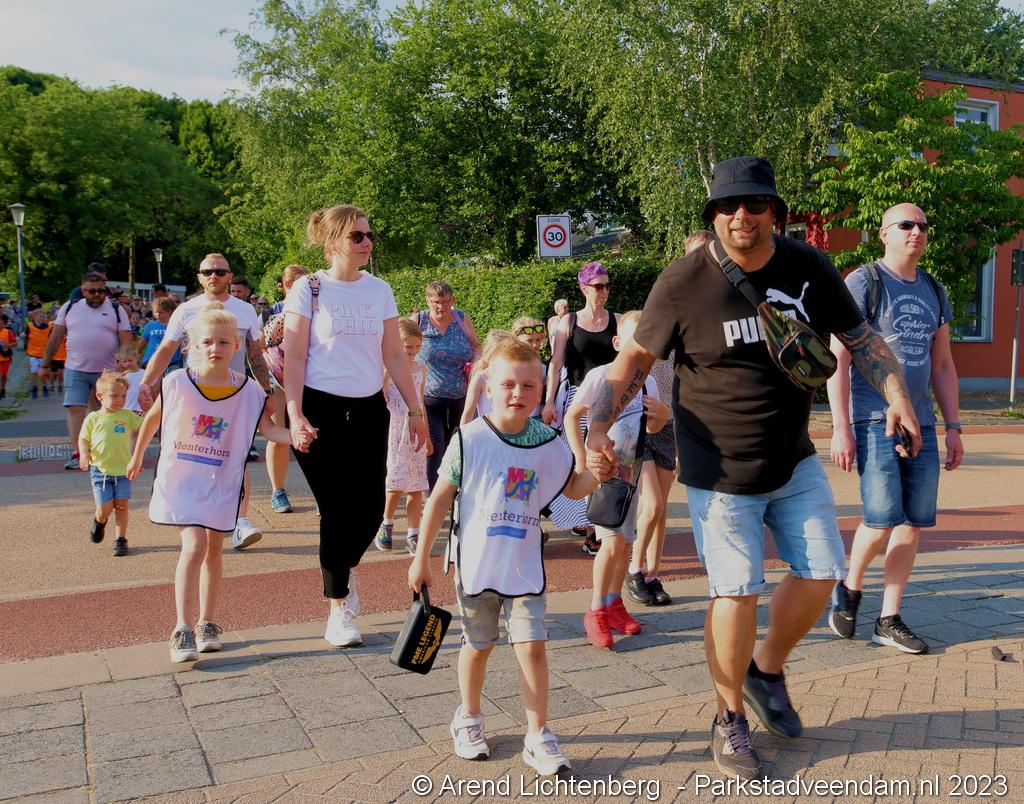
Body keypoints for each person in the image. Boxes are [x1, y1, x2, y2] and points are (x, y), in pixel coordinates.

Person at [584, 156, 920, 779]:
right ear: (713, 214)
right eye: (728, 205)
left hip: (792, 458)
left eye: (756, 203)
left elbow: (862, 338)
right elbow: (631, 363)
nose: (742, 215)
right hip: (719, 470)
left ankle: (764, 671)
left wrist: (898, 396)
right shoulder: (682, 281)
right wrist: (599, 426)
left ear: (775, 211)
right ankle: (728, 716)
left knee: (822, 573)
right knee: (736, 590)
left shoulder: (807, 265)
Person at [408, 338, 600, 775]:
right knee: (478, 646)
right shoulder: (469, 439)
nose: (518, 393)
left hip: (524, 566)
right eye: (508, 384)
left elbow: (572, 488)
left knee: (532, 648)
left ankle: (539, 734)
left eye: (528, 386)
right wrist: (421, 558)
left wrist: (599, 473)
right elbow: (439, 500)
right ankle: (469, 717)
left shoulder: (549, 443)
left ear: (540, 391)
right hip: (476, 566)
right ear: (488, 387)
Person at [284, 205, 427, 648]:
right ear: (332, 242)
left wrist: (416, 411)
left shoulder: (379, 290)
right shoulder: (309, 289)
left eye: (369, 235)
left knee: (368, 510)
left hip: (368, 409)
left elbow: (394, 355)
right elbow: (294, 356)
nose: (366, 243)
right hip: (318, 409)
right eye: (356, 236)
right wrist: (295, 413)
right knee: (336, 509)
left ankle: (343, 570)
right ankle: (339, 605)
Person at [827, 203, 964, 655]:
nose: (916, 232)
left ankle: (888, 618)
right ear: (884, 233)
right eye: (906, 224)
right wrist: (840, 427)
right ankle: (850, 585)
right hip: (873, 418)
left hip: (921, 421)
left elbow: (943, 364)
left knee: (913, 521)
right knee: (883, 517)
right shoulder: (864, 282)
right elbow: (839, 359)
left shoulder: (934, 289)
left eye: (923, 225)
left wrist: (954, 426)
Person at [127, 303, 291, 662]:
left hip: (220, 481)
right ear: (194, 346)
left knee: (214, 550)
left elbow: (269, 430)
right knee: (195, 544)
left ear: (236, 346)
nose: (215, 348)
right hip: (183, 480)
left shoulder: (250, 391)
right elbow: (153, 419)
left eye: (223, 342)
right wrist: (137, 456)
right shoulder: (177, 383)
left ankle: (207, 622)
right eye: (207, 342)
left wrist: (300, 436)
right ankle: (181, 628)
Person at [138, 254, 271, 550]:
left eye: (220, 271)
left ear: (229, 276)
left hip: (233, 397)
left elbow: (255, 354)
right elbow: (166, 349)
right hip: (195, 398)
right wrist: (147, 381)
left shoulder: (245, 310)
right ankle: (193, 515)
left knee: (237, 456)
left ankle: (240, 520)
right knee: (193, 456)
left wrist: (266, 392)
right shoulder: (186, 310)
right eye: (208, 271)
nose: (214, 276)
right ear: (199, 276)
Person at [565, 311, 669, 648]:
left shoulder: (648, 380)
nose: (642, 346)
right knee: (610, 544)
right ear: (617, 342)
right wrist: (582, 458)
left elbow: (651, 427)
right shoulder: (602, 376)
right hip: (604, 473)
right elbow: (572, 416)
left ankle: (614, 603)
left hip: (631, 471)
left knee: (625, 543)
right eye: (634, 339)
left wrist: (661, 417)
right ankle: (595, 609)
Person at [627, 229, 715, 608]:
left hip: (672, 423)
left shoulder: (715, 310)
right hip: (642, 423)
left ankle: (651, 572)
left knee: (661, 508)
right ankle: (633, 568)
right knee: (651, 506)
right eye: (694, 255)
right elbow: (632, 356)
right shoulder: (670, 299)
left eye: (707, 253)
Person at [543, 262, 621, 554]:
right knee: (583, 461)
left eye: (607, 285)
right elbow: (556, 364)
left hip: (610, 400)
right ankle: (589, 526)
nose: (604, 291)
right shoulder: (569, 322)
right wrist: (549, 401)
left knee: (608, 458)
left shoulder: (618, 320)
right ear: (584, 288)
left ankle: (600, 526)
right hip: (578, 399)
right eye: (598, 286)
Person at [40, 271, 134, 470]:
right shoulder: (70, 307)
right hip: (76, 369)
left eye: (101, 291)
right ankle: (78, 453)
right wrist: (45, 364)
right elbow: (56, 336)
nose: (97, 295)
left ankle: (105, 452)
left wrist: (125, 363)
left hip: (107, 371)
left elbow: (126, 338)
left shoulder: (116, 309)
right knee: (75, 409)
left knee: (106, 411)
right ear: (83, 291)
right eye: (92, 291)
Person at [413, 280, 482, 489]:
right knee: (434, 447)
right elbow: (400, 349)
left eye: (445, 302)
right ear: (427, 301)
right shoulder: (419, 320)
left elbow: (476, 346)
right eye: (435, 302)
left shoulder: (461, 318)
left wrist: (477, 365)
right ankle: (431, 497)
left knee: (456, 446)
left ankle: (451, 495)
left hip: (460, 396)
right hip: (429, 397)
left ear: (452, 300)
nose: (441, 307)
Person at [375, 318, 432, 554]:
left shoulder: (421, 369)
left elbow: (421, 401)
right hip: (395, 431)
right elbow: (380, 399)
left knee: (416, 486)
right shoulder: (387, 370)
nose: (413, 351)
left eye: (417, 346)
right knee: (395, 482)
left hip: (415, 434)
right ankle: (386, 524)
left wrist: (427, 434)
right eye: (408, 347)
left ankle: (413, 533)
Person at [78, 371, 143, 557]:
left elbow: (146, 426)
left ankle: (120, 540)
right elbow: (83, 439)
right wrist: (84, 453)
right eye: (114, 396)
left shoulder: (127, 415)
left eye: (123, 396)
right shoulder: (93, 418)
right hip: (101, 471)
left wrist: (147, 409)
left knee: (121, 506)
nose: (120, 400)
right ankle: (99, 521)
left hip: (124, 471)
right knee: (104, 509)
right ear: (100, 397)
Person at [262, 264, 310, 514]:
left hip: (310, 380)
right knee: (278, 436)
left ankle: (321, 492)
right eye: (304, 283)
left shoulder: (317, 310)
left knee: (314, 435)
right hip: (277, 381)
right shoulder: (272, 312)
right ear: (289, 285)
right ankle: (278, 491)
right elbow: (260, 347)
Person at [139, 298, 182, 371]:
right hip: (151, 362)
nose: (158, 315)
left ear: (169, 311)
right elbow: (141, 345)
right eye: (156, 312)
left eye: (161, 312)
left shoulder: (177, 326)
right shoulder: (150, 325)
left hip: (171, 364)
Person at [25, 309, 53, 399]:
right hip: (33, 353)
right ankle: (34, 387)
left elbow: (52, 339)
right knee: (34, 370)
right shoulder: (29, 326)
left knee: (43, 373)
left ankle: (45, 387)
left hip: (44, 354)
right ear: (34, 317)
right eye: (40, 316)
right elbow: (26, 337)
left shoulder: (49, 327)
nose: (42, 318)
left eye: (44, 316)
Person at [115, 345, 145, 416]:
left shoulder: (145, 373)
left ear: (137, 358)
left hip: (140, 410)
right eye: (124, 362)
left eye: (130, 361)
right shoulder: (123, 376)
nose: (127, 363)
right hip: (126, 409)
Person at [0, 314, 16, 400]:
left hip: (5, 358)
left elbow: (15, 343)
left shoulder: (7, 332)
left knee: (3, 375)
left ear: (2, 321)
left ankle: (3, 389)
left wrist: (8, 345)